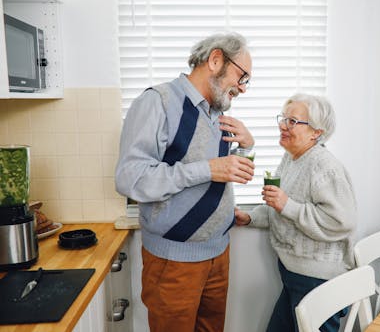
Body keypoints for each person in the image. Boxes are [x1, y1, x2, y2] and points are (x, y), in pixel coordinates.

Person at [115, 32, 255, 332]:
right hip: (173, 263)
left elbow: (224, 174)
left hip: (219, 254)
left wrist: (247, 146)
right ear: (216, 60)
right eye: (241, 77)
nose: (242, 89)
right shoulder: (158, 102)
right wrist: (206, 169)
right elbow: (130, 178)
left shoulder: (217, 113)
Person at [235, 93, 357, 332]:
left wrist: (286, 205)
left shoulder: (324, 166)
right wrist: (251, 217)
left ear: (316, 132)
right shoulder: (291, 158)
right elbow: (280, 208)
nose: (283, 126)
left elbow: (342, 222)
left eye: (293, 121)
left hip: (317, 279)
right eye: (283, 119)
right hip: (294, 272)